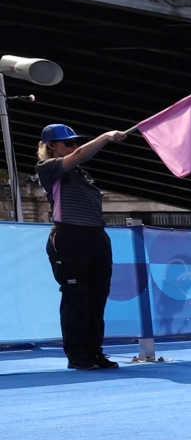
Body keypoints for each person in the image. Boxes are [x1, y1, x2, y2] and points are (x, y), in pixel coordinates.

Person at [36, 124, 127, 370]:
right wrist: (107, 135)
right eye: (69, 142)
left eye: (77, 142)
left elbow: (79, 158)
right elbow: (80, 155)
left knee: (97, 298)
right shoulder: (48, 168)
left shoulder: (82, 176)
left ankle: (94, 351)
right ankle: (77, 355)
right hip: (69, 236)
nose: (75, 146)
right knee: (76, 297)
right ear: (51, 146)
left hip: (96, 236)